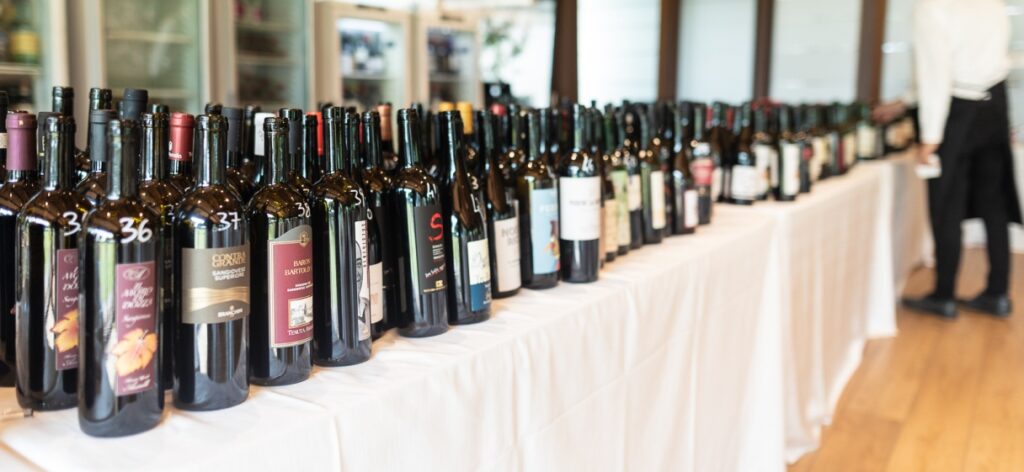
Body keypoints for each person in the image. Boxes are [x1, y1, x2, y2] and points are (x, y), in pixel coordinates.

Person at [876, 0, 1021, 318]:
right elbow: (985, 64)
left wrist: (930, 137)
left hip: (955, 113)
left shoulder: (932, 8)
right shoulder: (992, 4)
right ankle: (998, 294)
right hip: (994, 107)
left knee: (947, 206)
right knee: (994, 206)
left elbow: (936, 75)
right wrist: (903, 103)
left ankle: (943, 296)